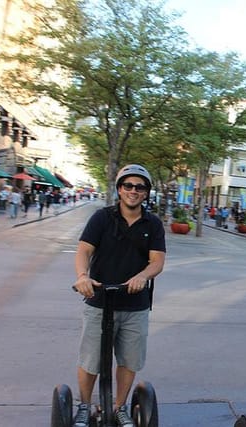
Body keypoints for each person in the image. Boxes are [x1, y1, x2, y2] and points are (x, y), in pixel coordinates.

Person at [72, 164, 166, 427]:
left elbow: (157, 261)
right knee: (91, 359)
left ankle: (118, 407)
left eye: (140, 187)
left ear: (146, 193)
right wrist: (82, 277)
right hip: (99, 300)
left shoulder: (153, 224)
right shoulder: (102, 218)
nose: (133, 191)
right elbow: (83, 251)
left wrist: (142, 276)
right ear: (119, 188)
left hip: (135, 305)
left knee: (129, 360)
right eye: (128, 186)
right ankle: (84, 405)